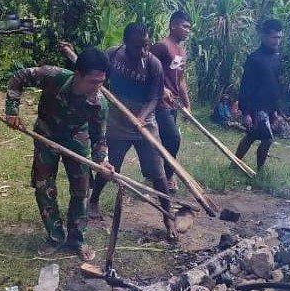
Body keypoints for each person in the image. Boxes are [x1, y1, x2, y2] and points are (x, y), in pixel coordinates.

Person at [60, 24, 177, 239]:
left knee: (158, 173)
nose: (143, 50)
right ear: (126, 43)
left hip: (145, 121)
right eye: (138, 46)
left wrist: (141, 118)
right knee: (110, 165)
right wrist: (70, 54)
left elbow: (154, 97)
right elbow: (93, 72)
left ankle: (168, 217)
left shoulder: (154, 64)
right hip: (116, 118)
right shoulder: (113, 55)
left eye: (146, 45)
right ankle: (94, 201)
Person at [4, 47, 115, 261]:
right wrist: (12, 110)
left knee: (82, 189)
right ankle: (55, 236)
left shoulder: (99, 104)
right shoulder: (52, 76)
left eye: (101, 82)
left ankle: (77, 239)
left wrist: (103, 161)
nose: (97, 87)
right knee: (44, 186)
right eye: (93, 81)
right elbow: (18, 77)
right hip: (46, 133)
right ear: (78, 75)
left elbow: (99, 138)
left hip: (76, 138)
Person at [150, 10, 192, 193]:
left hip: (173, 103)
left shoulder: (181, 51)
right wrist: (161, 89)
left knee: (167, 141)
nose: (187, 30)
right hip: (158, 102)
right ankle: (168, 176)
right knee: (174, 138)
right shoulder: (161, 46)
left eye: (189, 28)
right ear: (173, 25)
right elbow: (147, 69)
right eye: (184, 26)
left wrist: (187, 105)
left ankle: (158, 174)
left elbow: (180, 80)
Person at [235, 19, 283, 169]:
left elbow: (275, 86)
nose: (277, 41)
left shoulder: (277, 57)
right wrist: (246, 112)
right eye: (274, 37)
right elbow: (246, 87)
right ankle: (260, 171)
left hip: (269, 107)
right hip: (256, 107)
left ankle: (234, 164)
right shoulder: (255, 59)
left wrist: (276, 110)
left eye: (279, 37)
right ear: (264, 37)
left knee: (251, 136)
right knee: (268, 139)